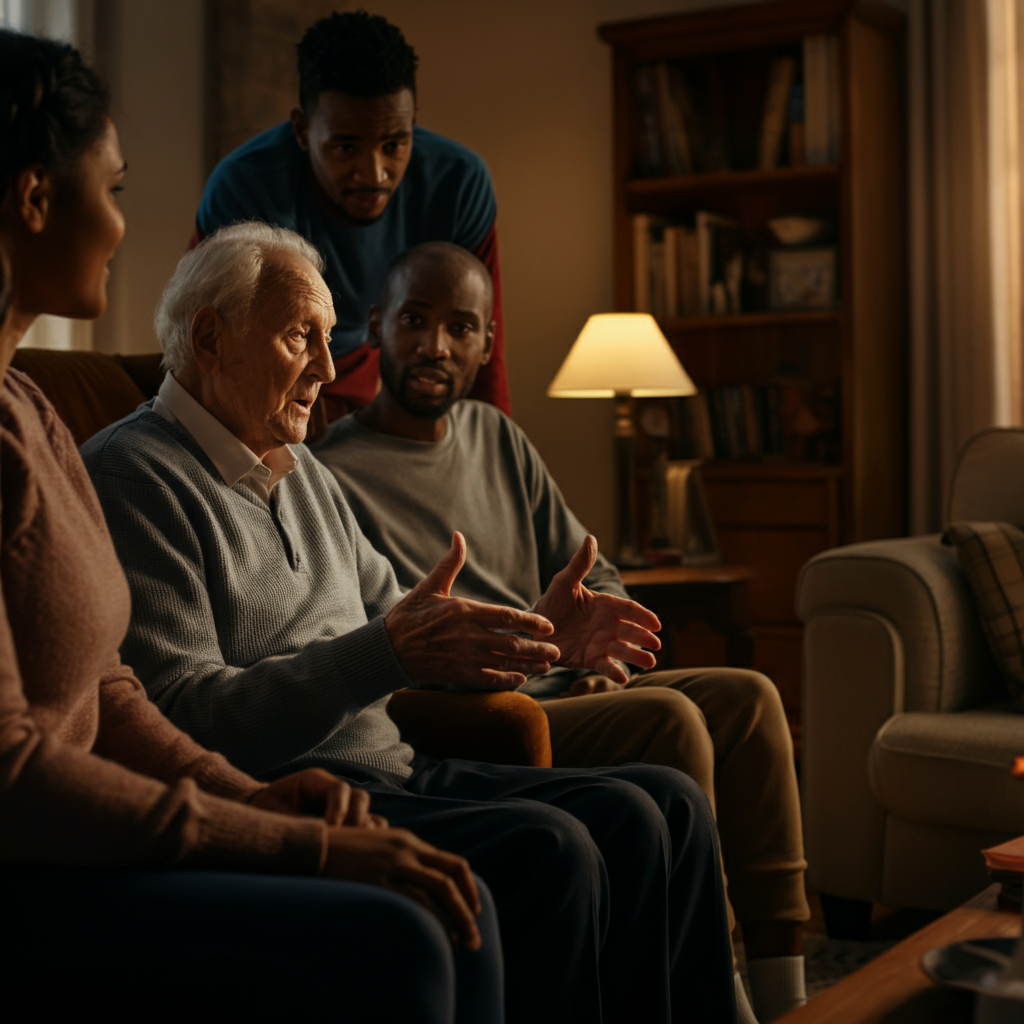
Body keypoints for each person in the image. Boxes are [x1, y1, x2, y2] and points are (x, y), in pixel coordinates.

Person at [81, 220, 738, 1024]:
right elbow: (184, 715)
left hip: (396, 766)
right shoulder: (131, 476)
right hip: (302, 793)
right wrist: (381, 654)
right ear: (211, 338)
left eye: (328, 338)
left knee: (664, 804)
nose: (328, 367)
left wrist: (535, 641)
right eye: (301, 338)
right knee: (555, 849)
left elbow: (409, 630)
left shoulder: (302, 470)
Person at [0, 30, 505, 1021]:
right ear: (31, 199)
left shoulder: (33, 411)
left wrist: (249, 793)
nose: (118, 225)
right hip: (35, 869)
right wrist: (289, 839)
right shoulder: (116, 459)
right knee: (405, 926)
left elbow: (113, 687)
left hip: (96, 838)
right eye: (110, 188)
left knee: (454, 898)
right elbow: (14, 774)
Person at [313, 241, 813, 1024]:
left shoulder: (496, 437)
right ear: (377, 324)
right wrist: (536, 651)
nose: (435, 345)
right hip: (490, 705)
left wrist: (598, 648)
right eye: (414, 320)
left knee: (749, 697)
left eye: (461, 327)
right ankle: (723, 987)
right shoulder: (331, 471)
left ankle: (790, 988)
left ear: (485, 344)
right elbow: (379, 637)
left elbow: (596, 572)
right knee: (671, 718)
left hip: (571, 680)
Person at [194, 9, 509, 421]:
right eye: (345, 148)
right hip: (271, 383)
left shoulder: (458, 184)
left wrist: (492, 455)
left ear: (413, 122)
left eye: (395, 144)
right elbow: (205, 349)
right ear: (303, 131)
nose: (374, 173)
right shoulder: (244, 188)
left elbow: (481, 349)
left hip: (378, 378)